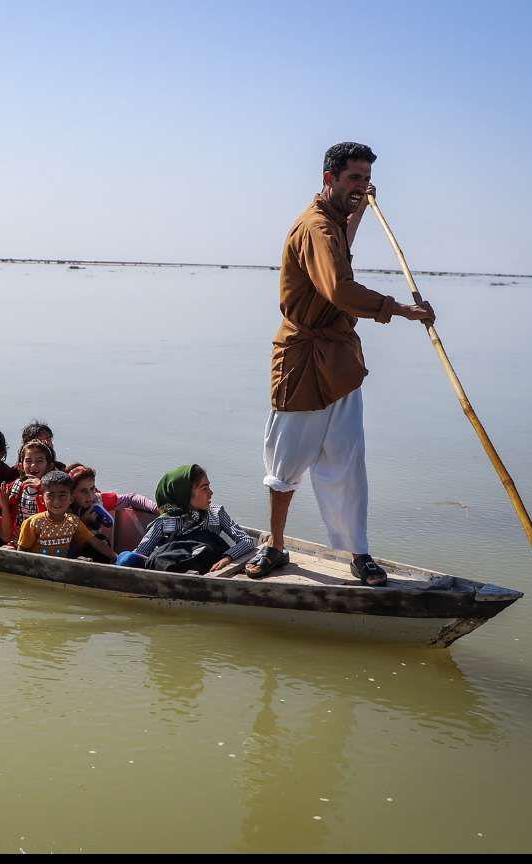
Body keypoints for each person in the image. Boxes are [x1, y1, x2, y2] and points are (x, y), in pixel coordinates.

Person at [248, 142, 435, 585]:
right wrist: (401, 310)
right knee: (285, 465)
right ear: (328, 178)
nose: (362, 186)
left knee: (348, 461)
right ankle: (274, 547)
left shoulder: (333, 223)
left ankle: (359, 553)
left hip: (341, 360)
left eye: (367, 180)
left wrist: (361, 209)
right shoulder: (316, 226)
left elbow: (340, 247)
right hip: (302, 359)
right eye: (354, 178)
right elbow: (339, 289)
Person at [117, 465, 255, 574]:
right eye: (204, 488)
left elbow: (247, 541)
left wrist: (228, 558)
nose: (211, 492)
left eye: (209, 487)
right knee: (128, 558)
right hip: (173, 572)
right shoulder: (165, 522)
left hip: (209, 568)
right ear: (186, 494)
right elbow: (140, 554)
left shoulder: (216, 513)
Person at [16, 470, 116, 561]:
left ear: (71, 499)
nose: (56, 501)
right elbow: (21, 554)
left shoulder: (73, 521)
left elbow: (96, 543)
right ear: (42, 500)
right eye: (51, 496)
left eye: (62, 495)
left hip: (62, 569)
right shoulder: (33, 523)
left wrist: (115, 558)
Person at [66, 464, 158, 548]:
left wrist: (157, 509)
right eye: (83, 491)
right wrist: (83, 523)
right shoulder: (63, 509)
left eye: (92, 488)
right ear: (72, 493)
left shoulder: (98, 500)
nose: (90, 496)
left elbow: (131, 498)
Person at [2, 439, 55, 533]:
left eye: (39, 461)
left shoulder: (54, 488)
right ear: (21, 466)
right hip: (17, 538)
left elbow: (56, 514)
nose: (33, 465)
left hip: (43, 539)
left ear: (49, 466)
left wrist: (42, 488)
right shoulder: (15, 486)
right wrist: (5, 503)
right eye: (28, 461)